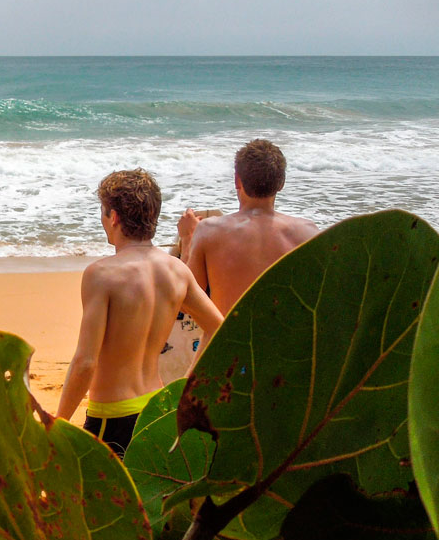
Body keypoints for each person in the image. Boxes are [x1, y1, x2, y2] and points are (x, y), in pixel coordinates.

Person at [55, 169, 223, 457]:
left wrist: (57, 424)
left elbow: (85, 362)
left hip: (112, 418)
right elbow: (219, 327)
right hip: (156, 412)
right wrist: (184, 385)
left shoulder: (102, 274)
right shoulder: (176, 271)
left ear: (115, 217)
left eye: (103, 212)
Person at [178, 139, 319, 315]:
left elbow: (186, 303)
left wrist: (187, 239)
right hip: (284, 342)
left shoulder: (209, 231)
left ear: (237, 180)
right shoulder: (309, 233)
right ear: (281, 183)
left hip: (227, 341)